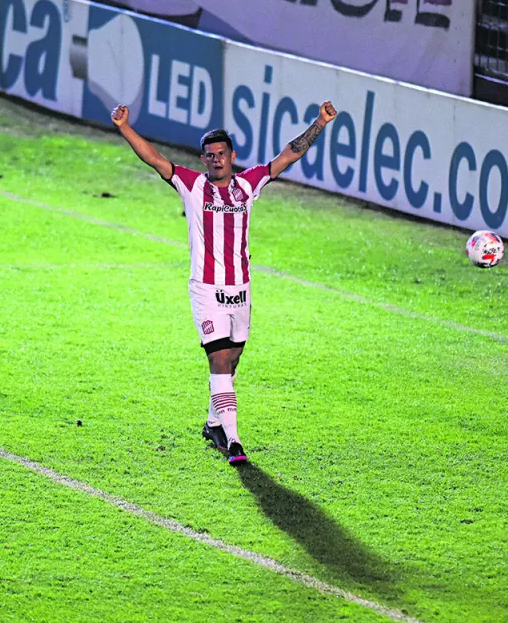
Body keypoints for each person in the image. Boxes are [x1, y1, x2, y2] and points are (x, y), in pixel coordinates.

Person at [111, 102, 338, 465]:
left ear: (232, 156)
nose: (216, 160)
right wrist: (125, 127)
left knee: (231, 363)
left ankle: (214, 422)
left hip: (240, 290)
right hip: (205, 288)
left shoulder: (249, 184)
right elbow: (153, 158)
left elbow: (288, 155)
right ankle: (233, 441)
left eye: (221, 154)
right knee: (218, 359)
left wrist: (320, 123)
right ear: (202, 159)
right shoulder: (191, 185)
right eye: (209, 155)